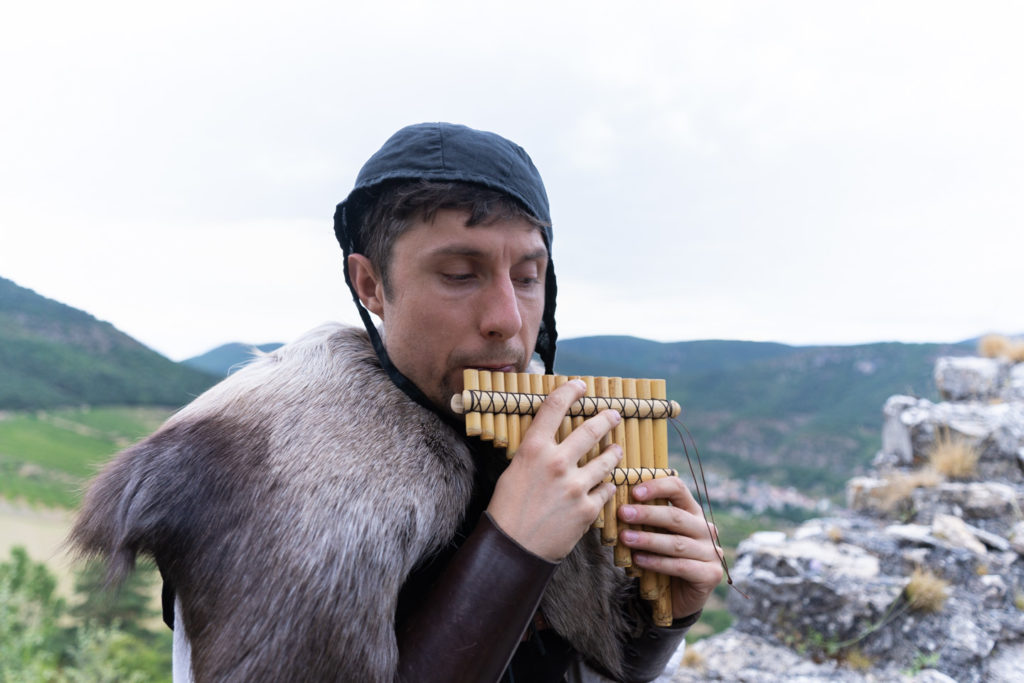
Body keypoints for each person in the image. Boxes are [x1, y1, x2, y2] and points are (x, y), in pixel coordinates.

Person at [70, 123, 723, 682]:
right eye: (460, 274)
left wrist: (670, 609)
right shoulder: (263, 468)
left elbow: (586, 665)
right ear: (372, 283)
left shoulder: (548, 433)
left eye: (528, 277)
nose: (508, 320)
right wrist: (514, 548)